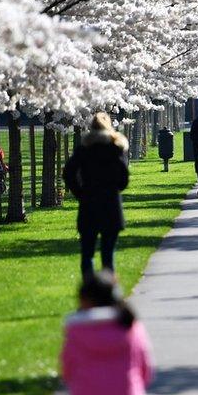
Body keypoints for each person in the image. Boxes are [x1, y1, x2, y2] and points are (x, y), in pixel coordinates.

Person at [61, 271, 152, 395]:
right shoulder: (130, 327)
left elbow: (68, 370)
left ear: (84, 301)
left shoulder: (76, 332)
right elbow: (144, 369)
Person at [63, 112, 129, 278]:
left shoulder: (84, 149)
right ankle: (108, 294)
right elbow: (124, 177)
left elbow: (68, 173)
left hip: (89, 204)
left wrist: (80, 192)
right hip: (111, 204)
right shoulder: (115, 148)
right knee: (108, 256)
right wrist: (116, 188)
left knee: (87, 255)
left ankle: (89, 292)